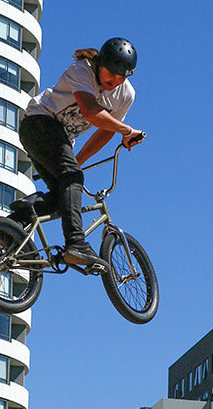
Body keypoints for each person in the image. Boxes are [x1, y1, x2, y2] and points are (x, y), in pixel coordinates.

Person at [9, 38, 143, 271]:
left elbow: (105, 131)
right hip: (39, 123)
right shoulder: (81, 71)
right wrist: (128, 131)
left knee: (67, 198)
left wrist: (78, 161)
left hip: (57, 139)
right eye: (111, 74)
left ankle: (12, 225)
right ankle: (76, 244)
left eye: (122, 77)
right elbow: (91, 113)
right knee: (72, 178)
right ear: (100, 64)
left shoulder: (126, 95)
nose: (115, 81)